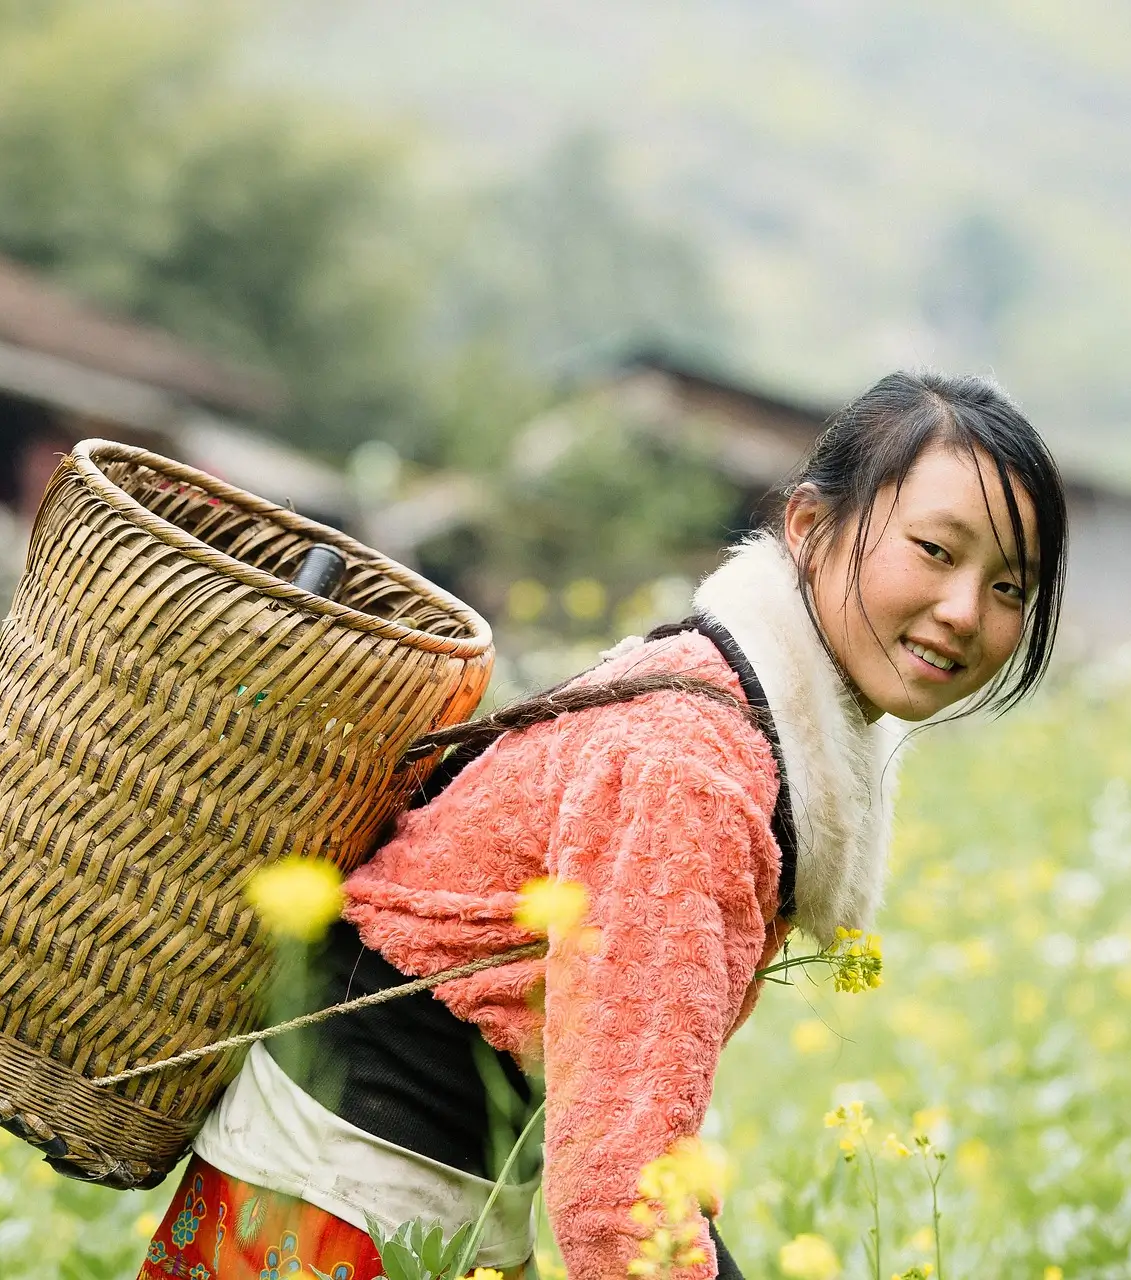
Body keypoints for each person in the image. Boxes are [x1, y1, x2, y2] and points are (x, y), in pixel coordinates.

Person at [136, 370, 1068, 1280]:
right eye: (937, 552)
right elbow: (622, 1190)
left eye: (1009, 589)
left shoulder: (734, 711)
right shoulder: (691, 766)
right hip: (342, 1206)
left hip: (401, 1197)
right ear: (810, 529)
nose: (963, 612)